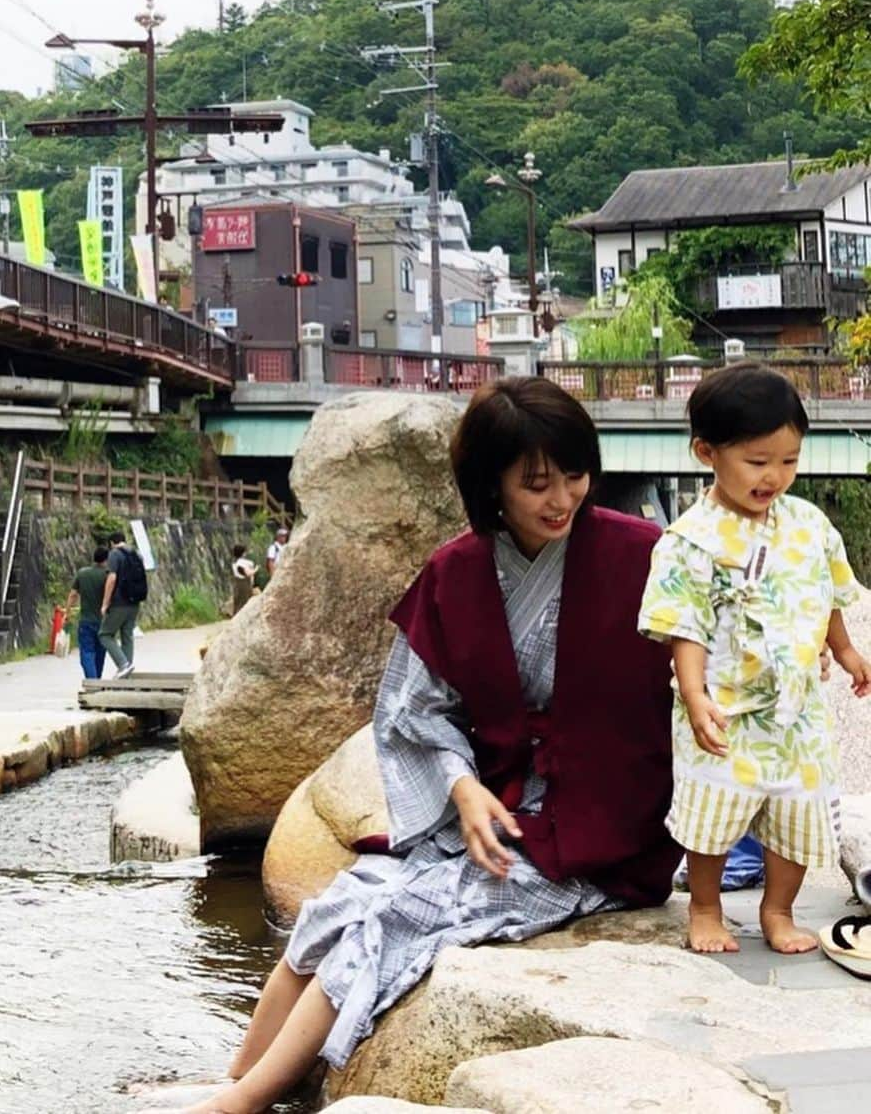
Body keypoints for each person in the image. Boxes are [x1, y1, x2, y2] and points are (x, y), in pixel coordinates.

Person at [142, 377, 679, 1114]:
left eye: (575, 476)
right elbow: (413, 711)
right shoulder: (456, 571)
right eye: (536, 484)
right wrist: (461, 787)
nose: (562, 500)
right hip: (497, 811)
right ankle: (237, 1075)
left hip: (601, 827)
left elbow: (709, 674)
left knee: (399, 916)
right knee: (339, 903)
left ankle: (246, 1104)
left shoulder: (648, 556)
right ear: (491, 485)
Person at [638, 362, 870, 956]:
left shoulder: (809, 524)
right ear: (706, 452)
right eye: (758, 462)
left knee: (799, 809)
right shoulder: (690, 539)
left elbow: (828, 593)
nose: (775, 476)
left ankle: (778, 909)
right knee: (713, 809)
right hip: (725, 708)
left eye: (788, 461)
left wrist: (844, 649)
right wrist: (694, 697)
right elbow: (683, 627)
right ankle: (707, 906)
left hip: (797, 710)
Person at [99, 529, 147, 679]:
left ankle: (123, 664)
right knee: (127, 635)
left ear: (112, 543)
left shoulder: (115, 554)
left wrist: (105, 603)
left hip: (119, 602)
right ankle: (126, 673)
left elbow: (112, 578)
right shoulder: (136, 553)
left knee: (105, 634)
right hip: (134, 602)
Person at [66, 545, 110, 680]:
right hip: (104, 621)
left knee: (87, 652)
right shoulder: (108, 575)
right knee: (100, 653)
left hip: (86, 620)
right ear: (106, 559)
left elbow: (73, 594)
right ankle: (97, 680)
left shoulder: (82, 573)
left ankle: (92, 681)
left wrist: (67, 612)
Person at [231, 543, 257, 615]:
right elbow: (248, 574)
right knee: (244, 601)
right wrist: (256, 569)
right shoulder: (242, 563)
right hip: (244, 584)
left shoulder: (234, 562)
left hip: (237, 583)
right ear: (243, 553)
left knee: (238, 601)